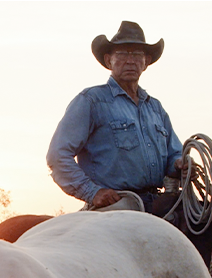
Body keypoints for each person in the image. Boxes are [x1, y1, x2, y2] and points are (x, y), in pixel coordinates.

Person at [46, 21, 188, 214]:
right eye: (122, 54)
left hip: (157, 203)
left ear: (146, 62)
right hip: (115, 206)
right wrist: (93, 192)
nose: (130, 61)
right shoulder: (92, 101)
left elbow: (174, 154)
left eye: (137, 55)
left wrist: (180, 163)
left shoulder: (155, 108)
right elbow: (57, 155)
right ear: (108, 60)